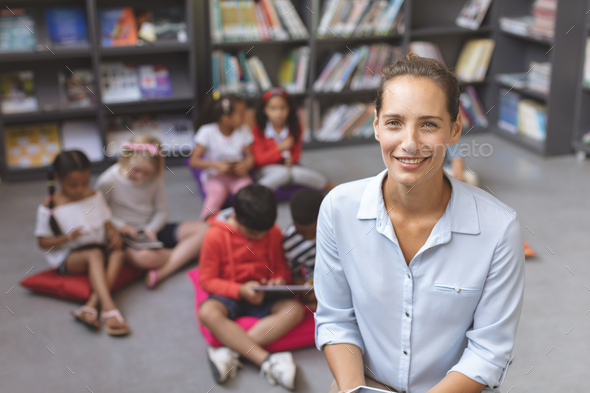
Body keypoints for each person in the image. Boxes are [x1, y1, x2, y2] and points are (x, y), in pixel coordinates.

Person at [314, 54, 525, 393]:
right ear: (376, 125)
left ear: (454, 130)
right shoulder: (338, 209)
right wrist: (354, 390)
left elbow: (488, 352)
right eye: (394, 122)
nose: (409, 143)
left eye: (428, 124)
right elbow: (336, 319)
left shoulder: (499, 229)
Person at [198, 184, 305, 390]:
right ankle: (267, 360)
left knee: (295, 310)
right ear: (237, 218)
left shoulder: (272, 232)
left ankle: (231, 352)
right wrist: (239, 290)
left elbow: (281, 268)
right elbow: (207, 280)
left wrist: (278, 280)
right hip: (230, 293)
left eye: (263, 232)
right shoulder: (215, 236)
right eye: (253, 233)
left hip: (263, 292)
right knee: (207, 312)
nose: (259, 237)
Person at [34, 151, 130, 336]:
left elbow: (107, 224)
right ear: (58, 178)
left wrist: (114, 236)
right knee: (94, 254)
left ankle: (91, 306)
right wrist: (67, 237)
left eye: (85, 182)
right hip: (69, 256)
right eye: (73, 185)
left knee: (118, 253)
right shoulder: (50, 206)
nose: (80, 189)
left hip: (97, 248)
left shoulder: (94, 195)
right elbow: (43, 243)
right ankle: (109, 307)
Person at [96, 135, 209, 289]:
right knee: (146, 258)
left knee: (205, 230)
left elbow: (162, 211)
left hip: (151, 229)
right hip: (126, 235)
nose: (141, 177)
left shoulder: (154, 178)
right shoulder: (108, 181)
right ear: (125, 159)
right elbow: (99, 213)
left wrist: (152, 229)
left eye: (146, 173)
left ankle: (163, 271)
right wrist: (121, 225)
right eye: (136, 170)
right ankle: (187, 252)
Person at [252, 87, 335, 191]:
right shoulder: (259, 130)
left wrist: (292, 160)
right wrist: (279, 148)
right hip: (265, 169)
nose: (278, 113)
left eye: (283, 108)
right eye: (273, 108)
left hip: (287, 168)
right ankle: (254, 191)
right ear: (264, 110)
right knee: (287, 173)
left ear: (289, 109)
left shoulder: (294, 128)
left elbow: (296, 154)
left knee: (296, 173)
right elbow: (259, 160)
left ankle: (332, 187)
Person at [190, 92, 254, 220]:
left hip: (237, 176)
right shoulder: (207, 132)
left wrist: (246, 165)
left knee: (247, 194)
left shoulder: (244, 131)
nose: (245, 117)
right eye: (241, 115)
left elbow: (250, 157)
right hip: (215, 177)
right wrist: (216, 165)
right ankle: (207, 224)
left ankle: (244, 222)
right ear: (226, 118)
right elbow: (194, 161)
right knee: (216, 193)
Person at [283, 188, 324, 309]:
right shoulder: (289, 242)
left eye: (313, 232)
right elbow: (295, 273)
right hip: (315, 281)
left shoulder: (338, 229)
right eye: (301, 233)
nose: (307, 237)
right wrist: (307, 290)